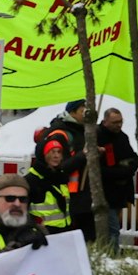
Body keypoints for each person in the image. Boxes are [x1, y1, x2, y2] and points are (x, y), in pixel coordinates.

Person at [39, 101, 93, 241]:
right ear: (72, 112)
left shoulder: (81, 131)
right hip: (70, 196)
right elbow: (59, 167)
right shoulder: (61, 134)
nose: (86, 113)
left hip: (82, 196)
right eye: (83, 110)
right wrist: (83, 155)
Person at [96, 108, 138, 250]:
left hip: (120, 190)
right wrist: (120, 172)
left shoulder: (122, 137)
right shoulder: (97, 136)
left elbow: (134, 157)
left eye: (120, 122)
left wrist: (129, 169)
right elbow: (95, 169)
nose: (119, 125)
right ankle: (112, 255)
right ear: (105, 121)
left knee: (114, 226)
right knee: (113, 229)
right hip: (105, 191)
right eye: (115, 122)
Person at [25, 141, 76, 236]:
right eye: (52, 152)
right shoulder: (31, 180)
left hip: (64, 232)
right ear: (43, 155)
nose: (56, 156)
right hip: (43, 235)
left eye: (59, 152)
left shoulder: (61, 178)